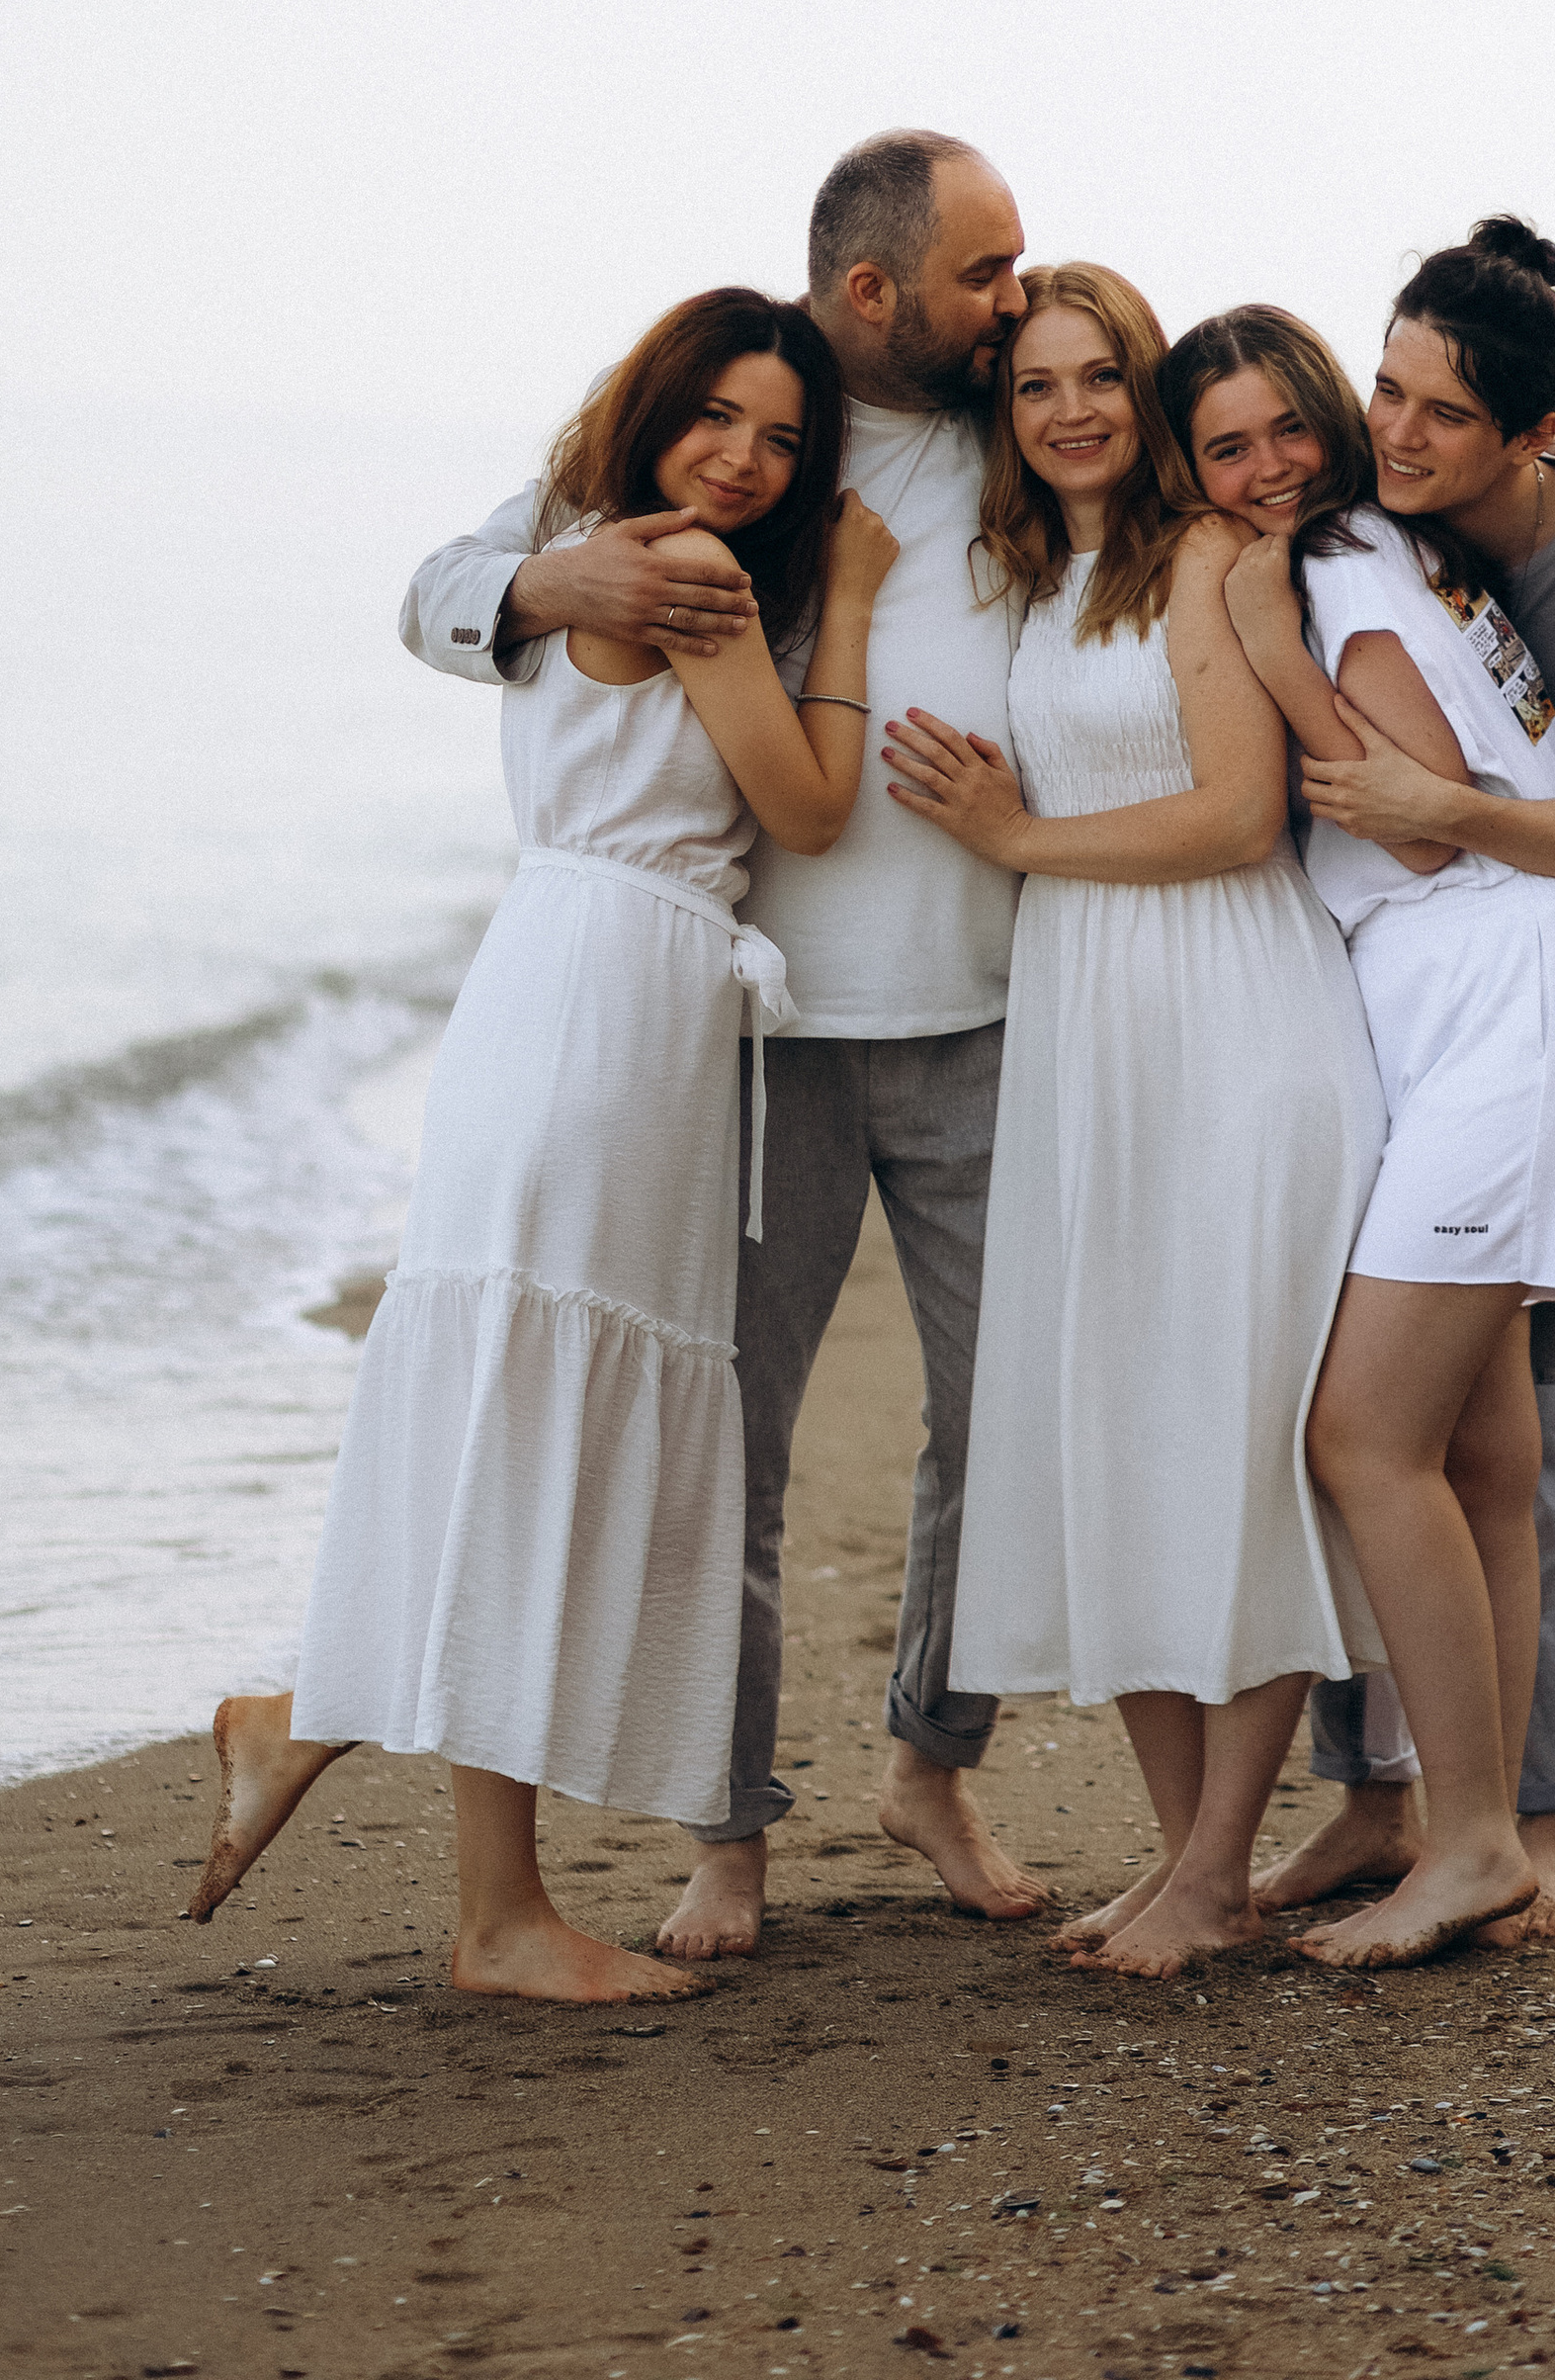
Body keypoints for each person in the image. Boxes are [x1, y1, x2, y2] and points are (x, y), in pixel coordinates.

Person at [189, 291, 894, 2001]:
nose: (744, 456)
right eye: (717, 416)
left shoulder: (588, 537)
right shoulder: (692, 579)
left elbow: (470, 594)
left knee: (522, 1416)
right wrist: (855, 602)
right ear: (655, 411)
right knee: (538, 1425)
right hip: (607, 1006)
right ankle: (496, 1915)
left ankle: (309, 1725)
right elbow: (805, 805)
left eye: (782, 438)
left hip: (578, 993)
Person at [396, 133, 1050, 1957]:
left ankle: (932, 1758)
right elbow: (448, 579)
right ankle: (730, 1832)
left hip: (990, 1005)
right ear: (874, 289)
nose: (1012, 302)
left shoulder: (1029, 424)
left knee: (1003, 1424)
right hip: (754, 1042)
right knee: (726, 1453)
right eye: (983, 273)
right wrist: (548, 589)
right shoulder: (739, 435)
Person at [879, 268, 1388, 1980]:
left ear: (1148, 397)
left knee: (1227, 1445)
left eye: (1105, 378)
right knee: (1125, 1440)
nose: (1075, 410)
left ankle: (1219, 1863)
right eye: (1038, 386)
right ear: (1007, 417)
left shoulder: (1203, 562)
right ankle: (1190, 1861)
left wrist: (1016, 842)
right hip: (1092, 1039)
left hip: (1230, 1026)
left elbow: (1243, 818)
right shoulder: (1047, 576)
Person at [1188, 235, 1555, 1945]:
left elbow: (1408, 809)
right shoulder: (1390, 534)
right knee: (1477, 1455)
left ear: (1528, 433)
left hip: (1508, 1011)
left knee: (1361, 1435)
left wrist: (1257, 628)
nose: (1390, 430)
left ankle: (1490, 1834)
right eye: (1384, 392)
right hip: (1485, 1012)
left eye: (1438, 411)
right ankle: (1444, 1825)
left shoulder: (1342, 567)